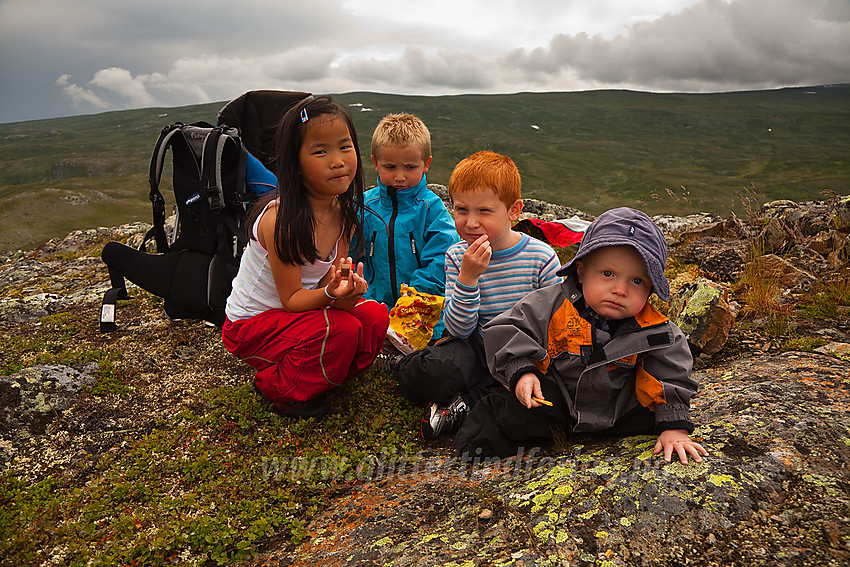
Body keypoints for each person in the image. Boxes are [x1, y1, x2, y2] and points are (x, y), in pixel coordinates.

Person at [454, 207, 708, 464]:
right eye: (608, 274)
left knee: (653, 414)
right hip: (558, 401)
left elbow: (670, 376)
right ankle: (467, 405)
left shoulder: (658, 332)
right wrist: (523, 371)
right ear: (582, 271)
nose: (620, 290)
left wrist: (673, 428)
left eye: (637, 281)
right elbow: (509, 328)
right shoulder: (552, 304)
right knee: (486, 434)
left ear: (651, 288)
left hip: (617, 412)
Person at [221, 95, 389, 419]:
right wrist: (329, 295)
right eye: (320, 151)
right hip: (250, 326)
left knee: (372, 318)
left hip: (299, 319)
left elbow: (330, 289)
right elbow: (292, 299)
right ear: (294, 163)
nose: (337, 161)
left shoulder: (344, 216)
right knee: (340, 329)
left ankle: (328, 374)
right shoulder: (280, 221)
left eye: (344, 146)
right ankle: (276, 385)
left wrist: (346, 293)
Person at [390, 150, 562, 438]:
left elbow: (552, 327)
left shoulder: (541, 258)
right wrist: (468, 278)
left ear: (513, 211)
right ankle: (402, 365)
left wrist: (521, 366)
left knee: (540, 393)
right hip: (475, 343)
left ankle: (463, 404)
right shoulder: (458, 255)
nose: (470, 222)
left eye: (484, 211)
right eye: (461, 210)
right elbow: (459, 328)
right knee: (433, 372)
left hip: (523, 353)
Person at [355, 113, 457, 310]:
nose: (399, 177)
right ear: (375, 163)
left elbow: (441, 259)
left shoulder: (432, 209)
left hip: (419, 311)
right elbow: (349, 255)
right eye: (390, 167)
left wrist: (412, 299)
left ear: (426, 164)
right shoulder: (363, 207)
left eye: (410, 167)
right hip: (372, 309)